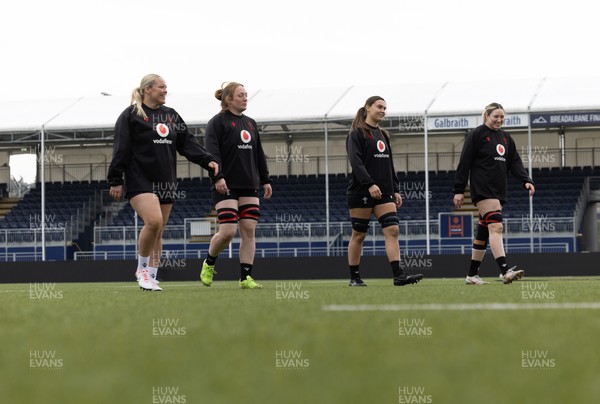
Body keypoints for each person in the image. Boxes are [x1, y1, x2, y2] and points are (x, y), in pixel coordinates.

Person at [107, 74, 219, 291]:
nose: (165, 90)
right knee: (154, 221)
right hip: (140, 179)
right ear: (148, 89)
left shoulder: (171, 115)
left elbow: (188, 144)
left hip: (166, 180)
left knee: (159, 230)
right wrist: (115, 179)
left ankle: (152, 274)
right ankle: (141, 270)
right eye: (161, 87)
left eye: (166, 87)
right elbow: (121, 148)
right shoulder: (131, 115)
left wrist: (208, 161)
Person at [453, 102, 535, 285]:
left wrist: (526, 180)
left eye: (502, 117)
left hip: (499, 190)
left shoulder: (506, 138)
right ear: (486, 116)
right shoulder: (476, 134)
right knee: (496, 227)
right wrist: (459, 190)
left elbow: (514, 162)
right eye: (495, 116)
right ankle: (505, 270)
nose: (499, 120)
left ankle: (472, 275)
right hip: (482, 188)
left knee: (483, 232)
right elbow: (464, 162)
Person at [346, 96, 424, 287]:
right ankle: (355, 277)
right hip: (361, 191)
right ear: (368, 108)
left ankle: (398, 276)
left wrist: (395, 188)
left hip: (385, 192)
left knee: (393, 230)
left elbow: (389, 164)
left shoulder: (383, 135)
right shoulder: (356, 134)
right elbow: (356, 163)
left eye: (385, 108)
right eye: (379, 107)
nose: (383, 110)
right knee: (359, 235)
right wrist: (369, 184)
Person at [201, 82, 272, 289]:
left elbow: (258, 154)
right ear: (229, 99)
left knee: (249, 229)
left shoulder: (250, 123)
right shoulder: (217, 123)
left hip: (249, 184)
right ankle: (209, 262)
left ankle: (245, 278)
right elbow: (211, 153)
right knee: (228, 232)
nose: (245, 98)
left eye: (246, 94)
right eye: (240, 95)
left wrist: (265, 179)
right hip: (226, 184)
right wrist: (218, 177)